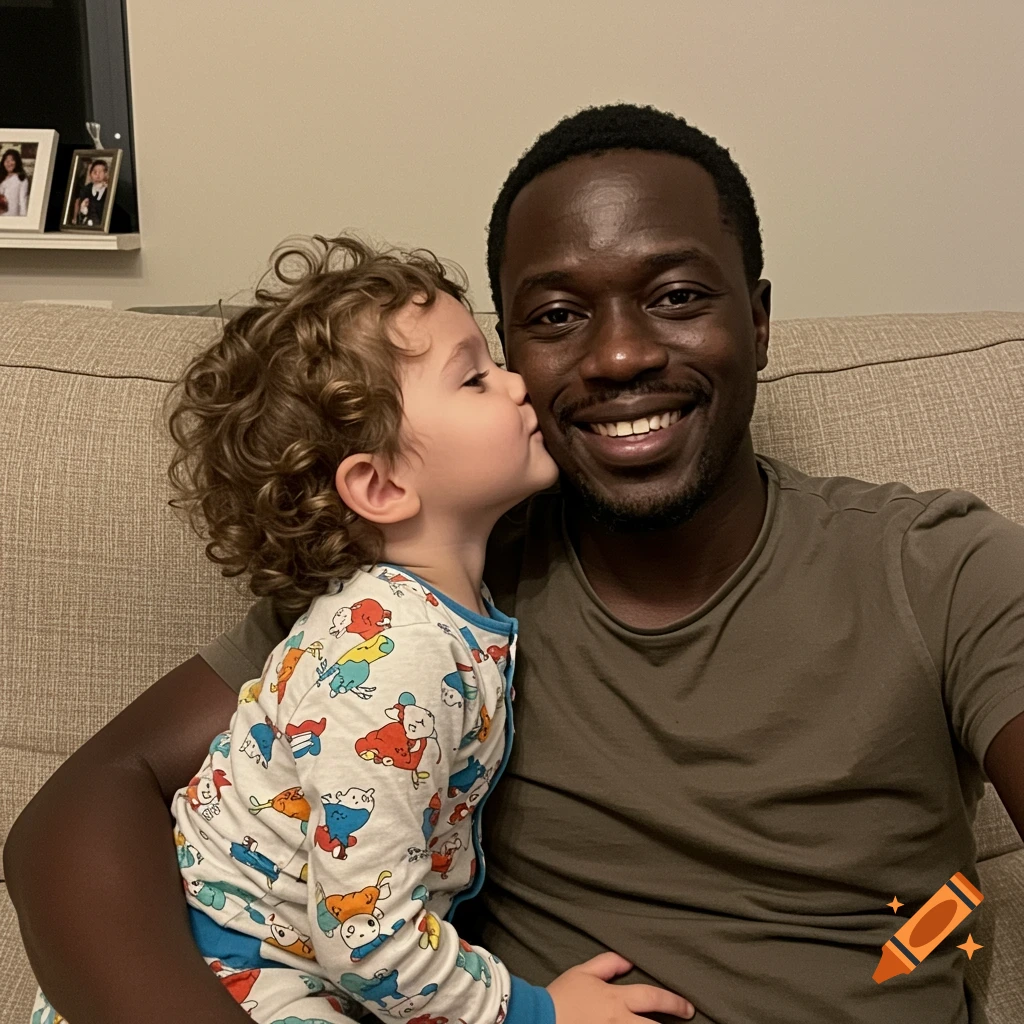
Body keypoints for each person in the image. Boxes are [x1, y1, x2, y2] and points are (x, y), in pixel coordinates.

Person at [7, 104, 1024, 1024]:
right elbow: (77, 817)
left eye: (675, 294)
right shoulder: (401, 599)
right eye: (551, 318)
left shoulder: (937, 569)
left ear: (756, 321)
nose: (619, 355)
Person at [26, 234, 692, 1024]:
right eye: (476, 377)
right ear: (380, 485)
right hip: (242, 978)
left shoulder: (440, 617)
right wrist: (539, 1013)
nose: (520, 385)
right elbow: (367, 939)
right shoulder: (389, 655)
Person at [72, 158, 110, 227]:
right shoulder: (85, 189)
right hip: (87, 224)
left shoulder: (109, 190)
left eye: (101, 172)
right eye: (95, 172)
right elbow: (79, 206)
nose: (97, 174)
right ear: (90, 174)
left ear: (106, 173)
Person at [0, 148, 30, 217]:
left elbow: (23, 200)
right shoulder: (2, 177)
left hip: (12, 216)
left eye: (12, 160)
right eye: (6, 161)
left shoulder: (21, 179)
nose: (9, 163)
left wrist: (23, 218)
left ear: (17, 162)